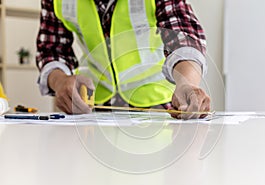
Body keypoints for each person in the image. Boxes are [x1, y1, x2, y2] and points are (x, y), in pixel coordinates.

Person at [36, 0, 210, 119]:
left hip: (158, 108)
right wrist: (60, 81)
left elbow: (182, 35)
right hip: (95, 110)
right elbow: (51, 49)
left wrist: (187, 83)